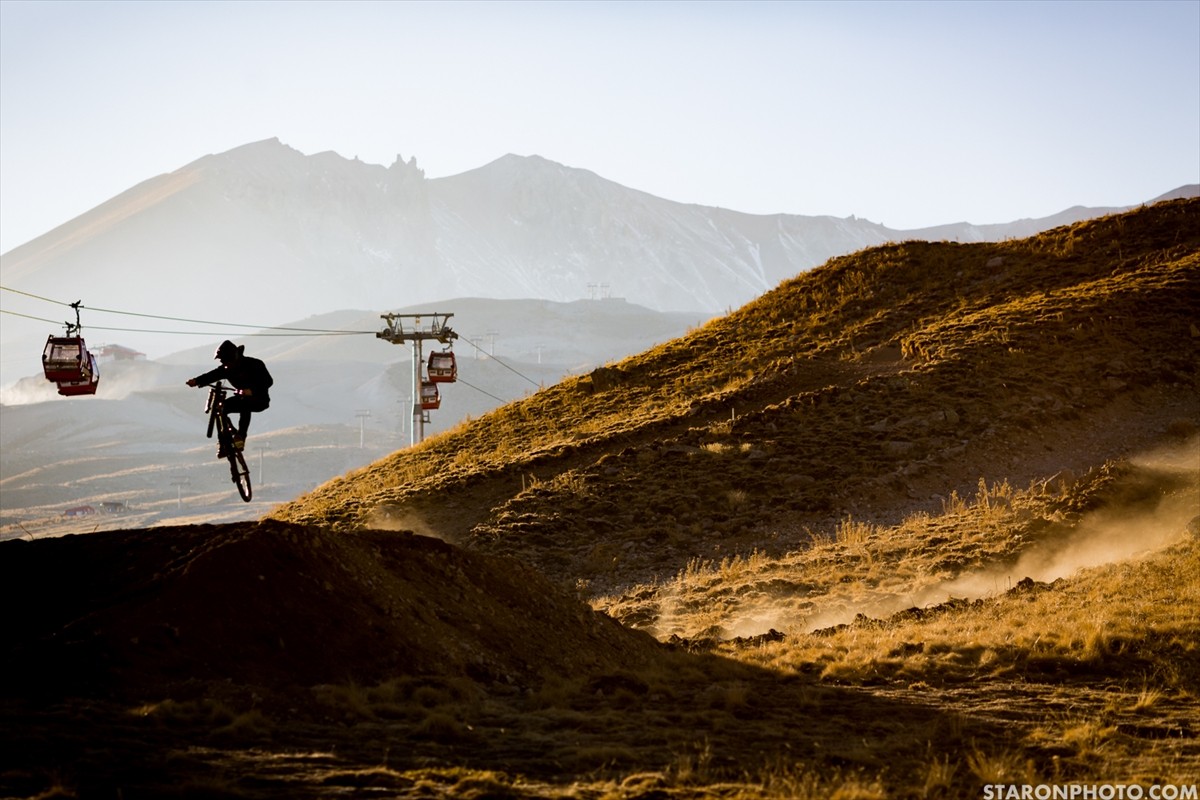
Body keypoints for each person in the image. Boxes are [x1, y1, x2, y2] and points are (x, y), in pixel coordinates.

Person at [187, 340, 273, 454]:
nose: (223, 363)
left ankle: (241, 437)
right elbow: (212, 375)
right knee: (221, 408)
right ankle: (224, 441)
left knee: (245, 404)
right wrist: (197, 381)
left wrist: (251, 391)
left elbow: (268, 381)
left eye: (225, 360)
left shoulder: (255, 364)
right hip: (242, 399)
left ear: (233, 357)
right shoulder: (227, 369)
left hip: (259, 400)